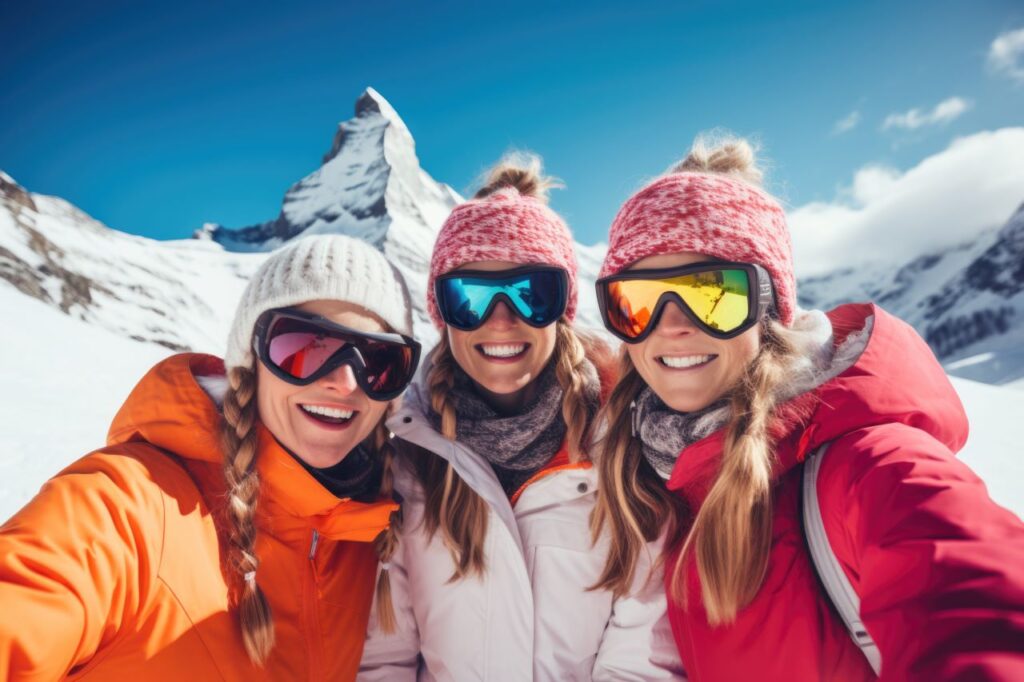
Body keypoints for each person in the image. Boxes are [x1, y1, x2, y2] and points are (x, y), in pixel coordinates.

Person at [590, 136, 1024, 680]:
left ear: (770, 308)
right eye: (638, 303)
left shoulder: (866, 462)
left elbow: (978, 605)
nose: (673, 325)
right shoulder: (643, 475)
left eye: (712, 294)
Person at [0, 235, 422, 681]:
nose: (343, 381)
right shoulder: (127, 508)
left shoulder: (368, 541)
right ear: (250, 360)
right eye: (303, 347)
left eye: (379, 361)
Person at [360, 155, 683, 681]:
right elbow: (384, 659)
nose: (502, 321)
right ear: (442, 315)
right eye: (470, 298)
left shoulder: (625, 446)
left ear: (563, 305)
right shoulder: (407, 458)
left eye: (532, 294)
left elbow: (643, 657)